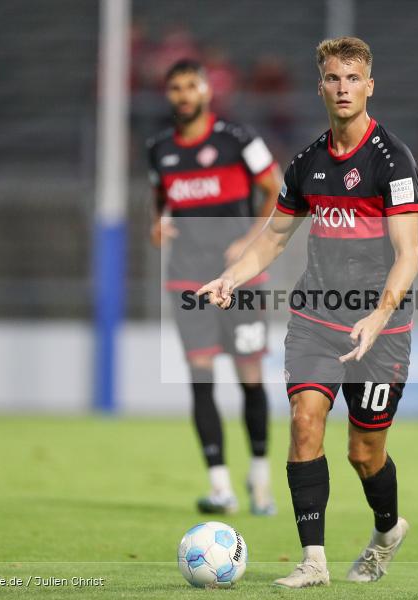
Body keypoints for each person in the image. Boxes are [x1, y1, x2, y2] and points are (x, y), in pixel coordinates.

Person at [198, 36, 418, 587]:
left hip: (380, 329)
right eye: (332, 78)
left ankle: (388, 531)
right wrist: (232, 276)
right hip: (316, 320)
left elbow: (409, 253)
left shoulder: (392, 161)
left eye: (353, 78)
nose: (342, 88)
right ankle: (313, 561)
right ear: (320, 85)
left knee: (365, 453)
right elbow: (274, 239)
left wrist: (378, 315)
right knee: (303, 424)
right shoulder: (307, 163)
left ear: (369, 86)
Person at [146, 59, 282, 516]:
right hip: (187, 278)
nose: (183, 95)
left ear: (205, 91)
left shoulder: (237, 139)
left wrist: (250, 239)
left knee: (249, 378)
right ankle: (220, 486)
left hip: (241, 277)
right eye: (175, 88)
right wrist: (159, 224)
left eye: (190, 86)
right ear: (169, 95)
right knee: (201, 379)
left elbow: (275, 188)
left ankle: (259, 479)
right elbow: (161, 199)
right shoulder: (159, 149)